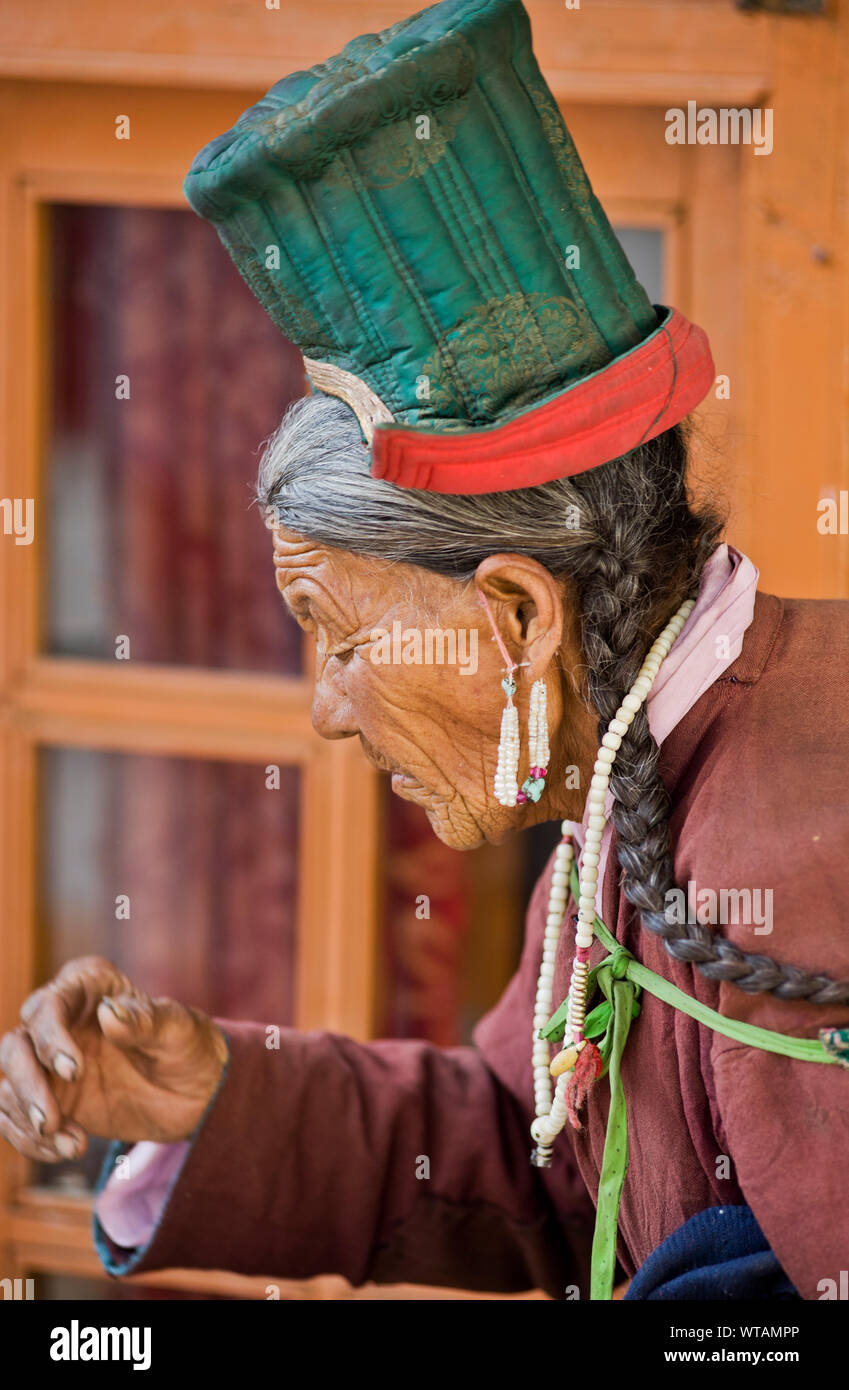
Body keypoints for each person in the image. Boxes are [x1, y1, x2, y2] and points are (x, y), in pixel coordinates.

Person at [1, 0, 847, 1301]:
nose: (330, 711)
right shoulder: (636, 772)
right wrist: (216, 1096)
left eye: (342, 637)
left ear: (516, 616)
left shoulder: (795, 854)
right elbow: (536, 1155)